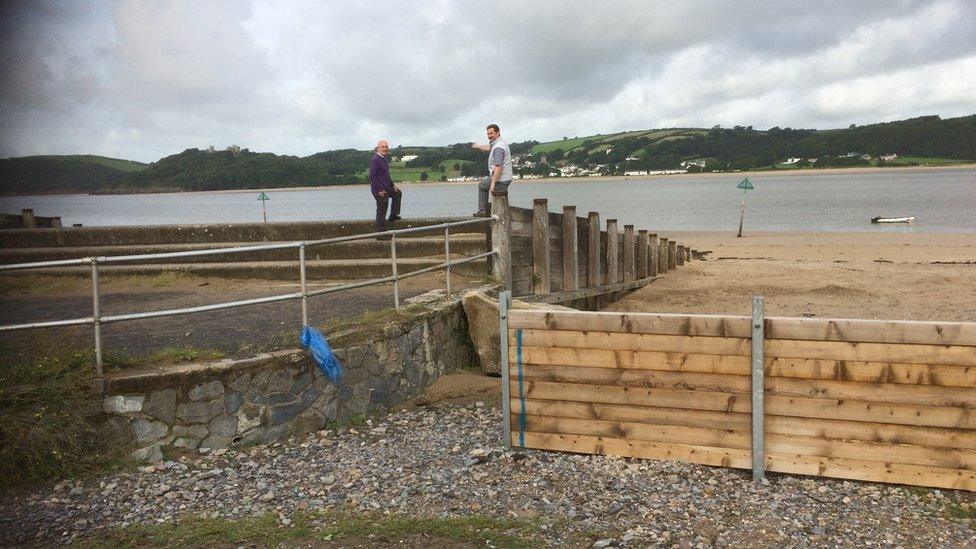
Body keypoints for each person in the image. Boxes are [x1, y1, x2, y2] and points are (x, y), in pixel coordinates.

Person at [470, 124, 512, 216]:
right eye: (488, 134)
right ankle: (484, 211)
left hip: (501, 179)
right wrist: (478, 146)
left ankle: (484, 212)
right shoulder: (499, 143)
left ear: (497, 132)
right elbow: (489, 147)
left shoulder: (498, 148)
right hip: (504, 177)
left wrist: (492, 183)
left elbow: (498, 166)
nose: (489, 136)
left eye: (491, 133)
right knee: (483, 185)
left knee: (487, 189)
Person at [368, 140, 402, 235]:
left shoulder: (383, 159)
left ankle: (393, 215)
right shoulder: (375, 159)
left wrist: (393, 185)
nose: (385, 148)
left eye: (386, 147)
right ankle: (380, 233)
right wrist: (379, 190)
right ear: (378, 148)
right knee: (382, 208)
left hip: (386, 187)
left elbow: (386, 175)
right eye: (383, 147)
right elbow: (372, 176)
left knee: (397, 193)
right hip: (378, 189)